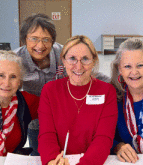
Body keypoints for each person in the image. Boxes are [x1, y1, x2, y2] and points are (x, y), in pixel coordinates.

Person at [14, 13, 110, 156]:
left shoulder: (63, 54)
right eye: (34, 39)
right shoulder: (16, 59)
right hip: (35, 117)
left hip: (62, 115)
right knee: (39, 154)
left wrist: (121, 84)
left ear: (52, 41)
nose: (40, 46)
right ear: (24, 40)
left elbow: (89, 74)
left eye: (46, 39)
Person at [38, 35, 118, 165]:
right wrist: (52, 164)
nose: (78, 66)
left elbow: (104, 138)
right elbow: (47, 135)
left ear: (94, 60)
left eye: (85, 59)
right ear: (63, 60)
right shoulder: (49, 90)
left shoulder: (107, 91)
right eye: (72, 58)